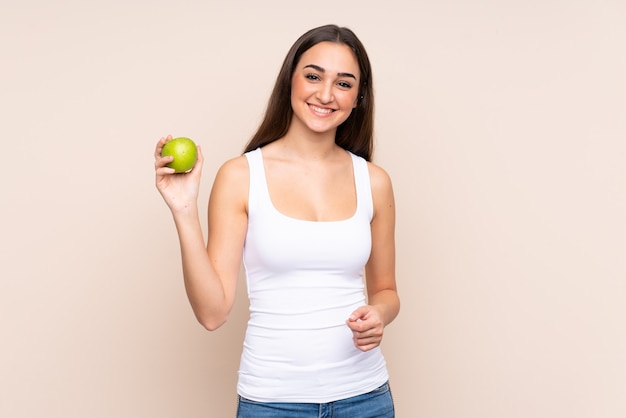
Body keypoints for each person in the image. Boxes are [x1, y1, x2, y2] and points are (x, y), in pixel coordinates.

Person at [154, 24, 400, 418]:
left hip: (366, 398)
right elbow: (212, 313)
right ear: (290, 81)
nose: (325, 94)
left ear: (359, 97)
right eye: (313, 76)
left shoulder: (375, 181)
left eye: (343, 83)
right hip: (273, 401)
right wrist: (184, 210)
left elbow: (386, 290)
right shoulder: (240, 176)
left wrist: (380, 314)